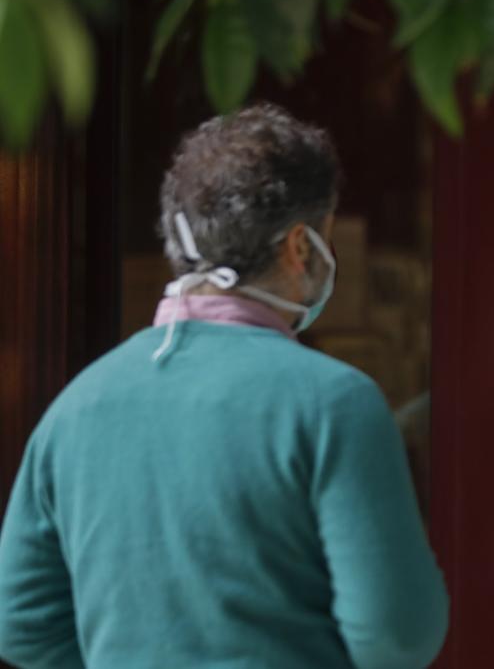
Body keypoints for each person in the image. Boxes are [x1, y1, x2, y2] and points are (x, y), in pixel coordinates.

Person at [0, 104, 449, 668]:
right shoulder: (335, 403)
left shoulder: (73, 409)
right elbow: (396, 635)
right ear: (300, 248)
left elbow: (22, 627)